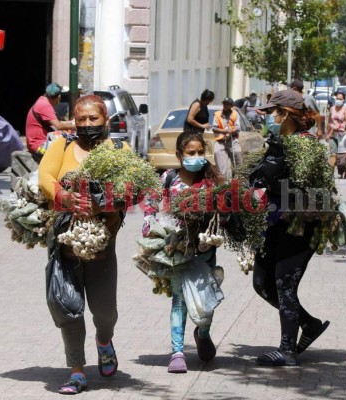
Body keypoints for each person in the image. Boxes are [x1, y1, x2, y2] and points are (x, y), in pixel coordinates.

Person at [39, 95, 126, 394]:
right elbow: (44, 176)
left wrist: (100, 205)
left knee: (104, 311)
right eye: (82, 119)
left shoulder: (118, 149)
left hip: (102, 247)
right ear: (74, 120)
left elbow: (130, 189)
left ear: (105, 120)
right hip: (65, 245)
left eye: (93, 119)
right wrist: (62, 197)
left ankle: (104, 341)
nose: (87, 125)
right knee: (68, 309)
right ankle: (76, 371)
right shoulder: (61, 146)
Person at [253, 90, 330, 367]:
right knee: (262, 284)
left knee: (284, 285)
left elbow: (303, 187)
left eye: (273, 112)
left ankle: (287, 349)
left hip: (299, 226)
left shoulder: (304, 145)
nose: (270, 117)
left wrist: (273, 172)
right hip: (275, 224)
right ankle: (309, 325)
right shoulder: (282, 142)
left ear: (285, 114)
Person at [142, 130, 224, 374]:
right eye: (191, 153)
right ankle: (177, 352)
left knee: (205, 303)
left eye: (201, 152)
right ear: (179, 155)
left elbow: (226, 206)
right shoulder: (169, 178)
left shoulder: (211, 181)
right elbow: (150, 200)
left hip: (205, 250)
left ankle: (203, 332)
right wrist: (149, 220)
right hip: (176, 249)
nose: (196, 157)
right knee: (179, 300)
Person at [26, 83, 75, 161]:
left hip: (37, 143)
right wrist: (76, 126)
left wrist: (71, 122)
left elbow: (56, 122)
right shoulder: (44, 106)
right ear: (59, 97)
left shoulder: (41, 101)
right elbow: (58, 126)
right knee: (73, 146)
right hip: (39, 145)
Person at [211, 97, 243, 181]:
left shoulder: (235, 114)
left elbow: (238, 127)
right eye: (224, 103)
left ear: (231, 105)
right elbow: (214, 128)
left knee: (237, 153)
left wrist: (231, 131)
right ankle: (224, 181)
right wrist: (225, 131)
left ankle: (240, 178)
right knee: (217, 152)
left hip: (232, 140)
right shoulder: (217, 114)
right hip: (220, 141)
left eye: (227, 104)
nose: (225, 105)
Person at [326, 91, 346, 178]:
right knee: (332, 153)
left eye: (340, 99)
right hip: (333, 134)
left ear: (343, 100)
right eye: (337, 98)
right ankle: (330, 173)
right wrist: (327, 133)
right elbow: (329, 122)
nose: (338, 100)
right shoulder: (332, 109)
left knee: (344, 155)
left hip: (343, 134)